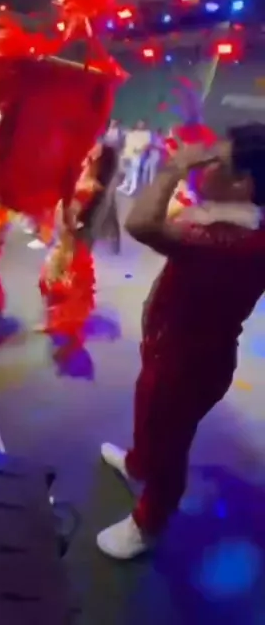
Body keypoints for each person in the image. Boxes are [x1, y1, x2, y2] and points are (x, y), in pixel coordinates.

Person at [97, 123, 265, 559]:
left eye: (215, 163)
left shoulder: (234, 241)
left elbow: (141, 223)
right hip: (170, 350)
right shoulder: (229, 223)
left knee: (170, 446)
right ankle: (138, 464)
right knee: (150, 417)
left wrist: (174, 167)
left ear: (244, 185)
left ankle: (149, 522)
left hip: (189, 365)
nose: (201, 167)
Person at [118, 120, 151, 196]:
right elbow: (127, 142)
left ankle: (132, 188)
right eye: (139, 124)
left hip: (136, 155)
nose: (140, 125)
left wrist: (140, 150)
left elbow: (147, 145)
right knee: (128, 171)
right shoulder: (133, 132)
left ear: (144, 126)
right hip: (127, 154)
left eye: (141, 124)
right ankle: (125, 184)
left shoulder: (146, 134)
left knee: (134, 172)